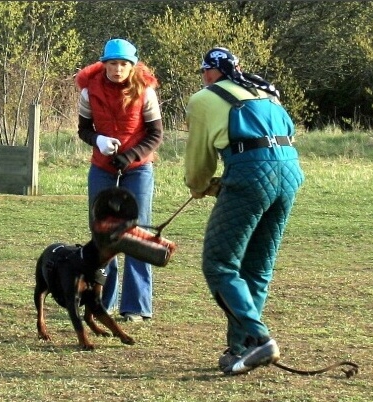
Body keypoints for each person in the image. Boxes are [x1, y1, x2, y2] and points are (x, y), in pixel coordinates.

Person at [184, 47, 305, 375]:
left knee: (219, 263)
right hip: (290, 174)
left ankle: (259, 338)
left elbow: (199, 161)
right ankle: (241, 349)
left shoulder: (204, 99)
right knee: (258, 266)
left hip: (252, 176)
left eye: (203, 71)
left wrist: (199, 186)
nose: (203, 77)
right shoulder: (266, 92)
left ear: (211, 72)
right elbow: (286, 136)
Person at [75, 38, 163, 322]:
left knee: (135, 233)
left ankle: (137, 307)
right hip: (102, 167)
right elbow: (84, 129)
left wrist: (131, 156)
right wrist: (97, 140)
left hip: (138, 168)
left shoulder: (146, 92)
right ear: (104, 64)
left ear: (132, 66)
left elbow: (155, 134)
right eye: (112, 63)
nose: (117, 69)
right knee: (103, 234)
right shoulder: (89, 92)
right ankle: (102, 301)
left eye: (123, 64)